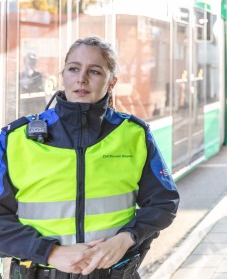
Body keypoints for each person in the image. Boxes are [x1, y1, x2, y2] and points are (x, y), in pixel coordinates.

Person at [0, 37, 180, 278]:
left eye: (94, 71)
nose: (81, 78)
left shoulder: (134, 134)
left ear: (112, 82)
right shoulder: (15, 139)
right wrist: (50, 252)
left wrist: (127, 238)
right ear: (62, 75)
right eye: (73, 69)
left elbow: (163, 203)